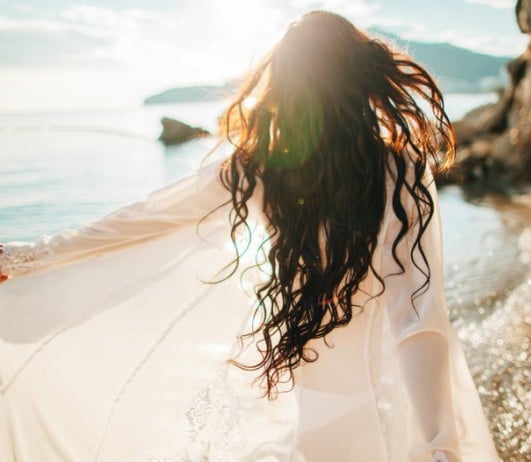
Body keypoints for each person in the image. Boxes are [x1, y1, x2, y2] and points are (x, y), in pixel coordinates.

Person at [0, 10, 499, 462]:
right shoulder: (382, 171)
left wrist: (30, 257)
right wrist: (440, 443)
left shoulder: (277, 170)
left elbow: (141, 219)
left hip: (334, 390)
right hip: (344, 392)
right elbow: (416, 313)